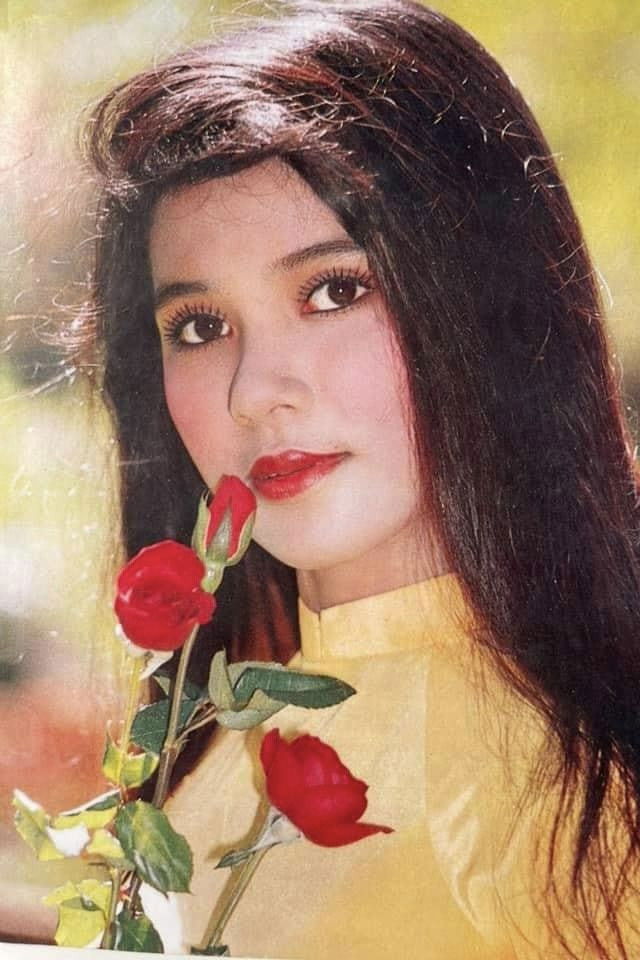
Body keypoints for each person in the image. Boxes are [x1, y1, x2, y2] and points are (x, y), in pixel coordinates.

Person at [86, 0, 640, 956]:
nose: (256, 391)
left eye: (335, 291)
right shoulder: (196, 749)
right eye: (200, 326)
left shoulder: (587, 797)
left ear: (483, 301)